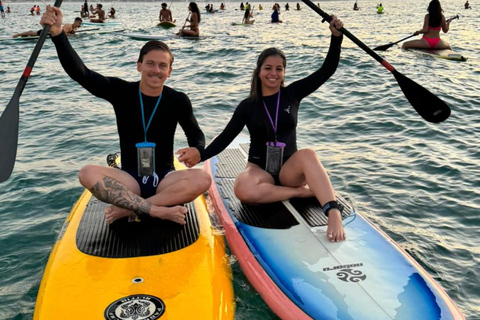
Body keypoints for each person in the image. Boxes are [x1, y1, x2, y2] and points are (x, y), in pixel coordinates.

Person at [179, 17, 346, 242]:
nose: (273, 74)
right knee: (242, 190)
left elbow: (327, 70)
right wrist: (201, 154)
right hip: (260, 170)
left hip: (289, 170)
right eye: (268, 68)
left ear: (284, 73)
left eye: (279, 69)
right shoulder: (248, 106)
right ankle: (301, 193)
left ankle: (333, 211)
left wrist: (336, 38)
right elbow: (226, 138)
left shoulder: (293, 94)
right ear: (259, 71)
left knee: (308, 155)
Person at [40, 6, 211, 225]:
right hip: (129, 178)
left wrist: (197, 149)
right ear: (139, 65)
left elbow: (195, 133)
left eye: (162, 65)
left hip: (165, 179)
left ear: (169, 71)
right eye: (150, 63)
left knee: (203, 178)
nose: (156, 70)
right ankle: (156, 210)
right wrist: (57, 34)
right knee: (86, 173)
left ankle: (130, 208)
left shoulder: (178, 100)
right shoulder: (121, 91)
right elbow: (82, 74)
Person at [13, 17, 82, 38]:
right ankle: (18, 34)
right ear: (75, 22)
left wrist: (72, 33)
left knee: (33, 34)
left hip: (52, 34)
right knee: (34, 33)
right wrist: (70, 34)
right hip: (49, 32)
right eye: (79, 23)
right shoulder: (68, 26)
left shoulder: (74, 28)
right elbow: (61, 33)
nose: (79, 25)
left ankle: (24, 35)